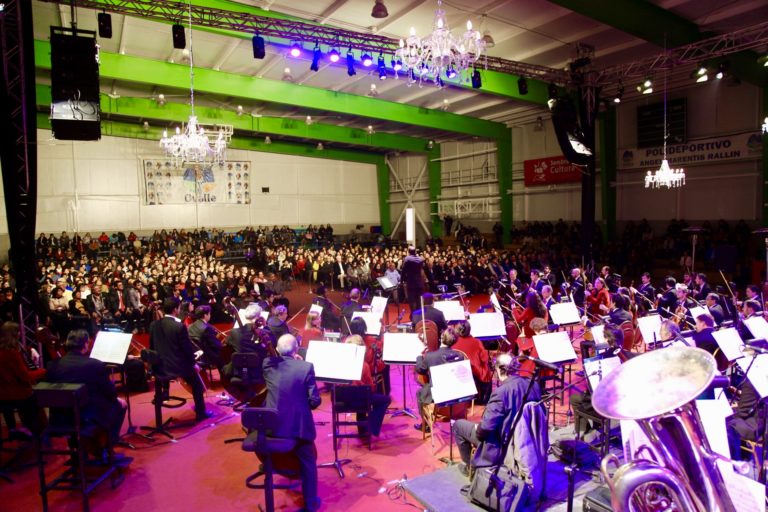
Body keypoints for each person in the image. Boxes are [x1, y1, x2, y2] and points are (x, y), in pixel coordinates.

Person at [45, 330, 131, 465]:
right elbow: (111, 394)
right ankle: (107, 449)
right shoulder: (94, 364)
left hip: (60, 419)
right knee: (120, 404)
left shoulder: (52, 365)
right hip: (86, 417)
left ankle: (79, 450)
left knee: (77, 406)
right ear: (85, 345)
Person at [452, 353, 541, 476]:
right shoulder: (533, 385)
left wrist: (479, 428)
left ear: (499, 369)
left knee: (458, 426)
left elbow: (484, 432)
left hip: (502, 444)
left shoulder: (501, 393)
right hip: (527, 440)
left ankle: (470, 468)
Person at [262, 334, 321, 512]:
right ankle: (311, 503)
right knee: (309, 461)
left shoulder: (267, 365)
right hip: (299, 429)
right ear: (296, 350)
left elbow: (275, 361)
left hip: (274, 428)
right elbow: (314, 402)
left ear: (278, 350)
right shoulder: (305, 367)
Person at [149, 297, 211, 422]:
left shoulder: (153, 325)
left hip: (159, 367)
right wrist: (194, 364)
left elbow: (152, 348)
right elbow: (187, 350)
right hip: (176, 367)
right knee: (197, 384)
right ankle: (201, 413)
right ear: (175, 309)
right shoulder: (179, 326)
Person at [570, 323, 635, 439]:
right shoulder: (631, 356)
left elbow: (593, 388)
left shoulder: (599, 360)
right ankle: (593, 429)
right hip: (627, 400)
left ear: (605, 339)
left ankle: (583, 432)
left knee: (575, 399)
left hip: (609, 405)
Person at [0, 322, 46, 438]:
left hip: (3, 393)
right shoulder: (12, 353)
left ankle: (13, 428)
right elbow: (25, 377)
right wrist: (43, 371)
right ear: (15, 335)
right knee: (36, 397)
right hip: (15, 394)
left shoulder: (5, 350)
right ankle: (37, 430)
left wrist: (29, 349)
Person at [414, 328, 465, 432]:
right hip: (456, 394)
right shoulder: (460, 355)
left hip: (439, 396)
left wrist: (420, 356)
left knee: (420, 392)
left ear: (441, 338)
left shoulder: (430, 356)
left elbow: (420, 369)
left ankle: (426, 424)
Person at [343, 335, 391, 436]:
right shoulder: (363, 365)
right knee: (385, 399)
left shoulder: (340, 364)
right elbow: (371, 388)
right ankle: (370, 425)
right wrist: (373, 384)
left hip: (343, 401)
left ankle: (363, 428)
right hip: (360, 400)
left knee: (360, 394)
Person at [451, 320, 492, 405]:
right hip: (474, 373)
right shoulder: (477, 342)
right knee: (486, 371)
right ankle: (483, 401)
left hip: (456, 372)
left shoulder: (452, 342)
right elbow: (485, 359)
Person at [187, 305, 223, 370]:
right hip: (207, 357)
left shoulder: (189, 327)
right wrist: (222, 342)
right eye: (209, 313)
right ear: (205, 315)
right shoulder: (207, 328)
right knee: (225, 354)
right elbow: (216, 345)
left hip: (196, 355)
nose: (210, 315)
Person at [401, 247, 426, 314]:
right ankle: (419, 316)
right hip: (419, 282)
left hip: (411, 283)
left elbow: (404, 270)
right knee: (419, 300)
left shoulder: (407, 259)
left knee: (412, 300)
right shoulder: (421, 259)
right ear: (415, 251)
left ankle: (413, 315)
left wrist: (402, 280)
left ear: (409, 252)